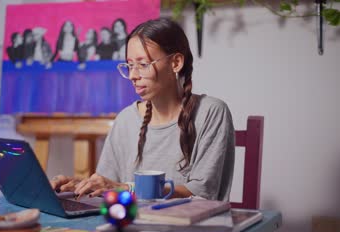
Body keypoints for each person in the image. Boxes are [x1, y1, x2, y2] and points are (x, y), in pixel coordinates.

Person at [51, 18, 235, 201]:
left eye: (143, 65)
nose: (132, 75)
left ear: (176, 63)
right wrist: (80, 186)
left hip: (186, 227)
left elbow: (203, 192)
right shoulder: (126, 119)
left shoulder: (211, 112)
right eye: (130, 65)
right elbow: (109, 187)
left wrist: (126, 188)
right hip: (130, 226)